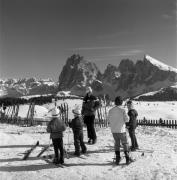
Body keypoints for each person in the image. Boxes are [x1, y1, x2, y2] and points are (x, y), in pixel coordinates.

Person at [108, 96, 133, 165]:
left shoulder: (110, 110)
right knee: (125, 143)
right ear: (121, 102)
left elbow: (108, 120)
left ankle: (118, 158)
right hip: (121, 130)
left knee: (117, 144)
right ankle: (127, 158)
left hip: (114, 130)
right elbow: (127, 119)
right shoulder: (122, 110)